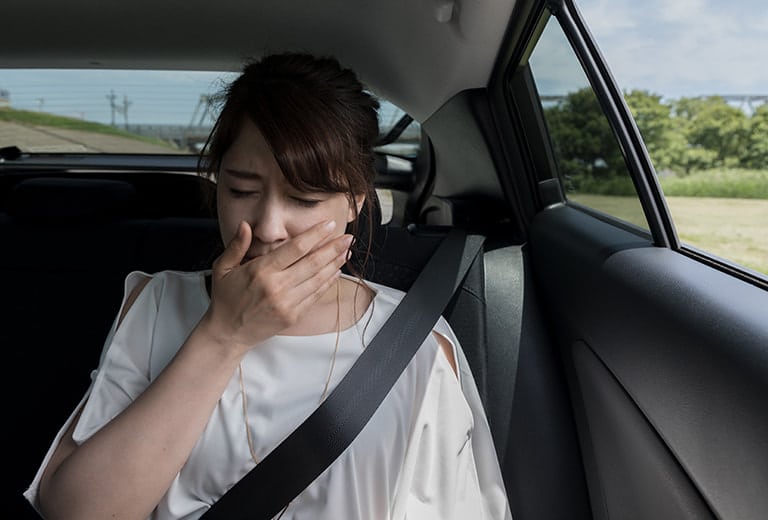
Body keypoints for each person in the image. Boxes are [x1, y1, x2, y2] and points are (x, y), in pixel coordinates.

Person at [23, 52, 512, 520]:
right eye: (241, 191)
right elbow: (75, 511)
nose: (269, 226)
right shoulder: (155, 303)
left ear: (356, 202)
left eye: (304, 198)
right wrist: (223, 334)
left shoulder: (418, 347)